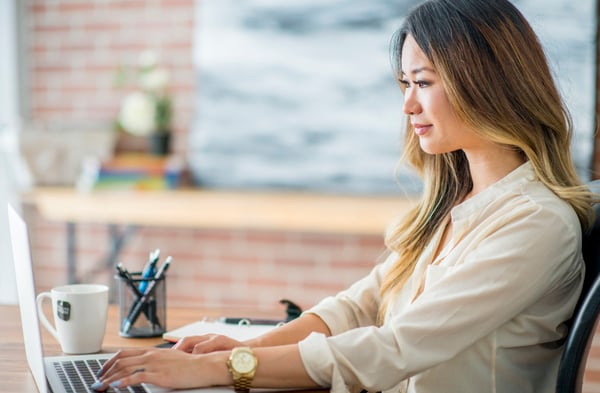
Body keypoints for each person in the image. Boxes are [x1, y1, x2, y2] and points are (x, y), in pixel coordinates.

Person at [92, 0, 598, 392]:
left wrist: (226, 370)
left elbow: (393, 347)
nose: (407, 104)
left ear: (485, 84)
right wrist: (241, 349)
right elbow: (361, 306)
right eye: (404, 83)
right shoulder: (458, 204)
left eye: (422, 82)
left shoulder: (533, 223)